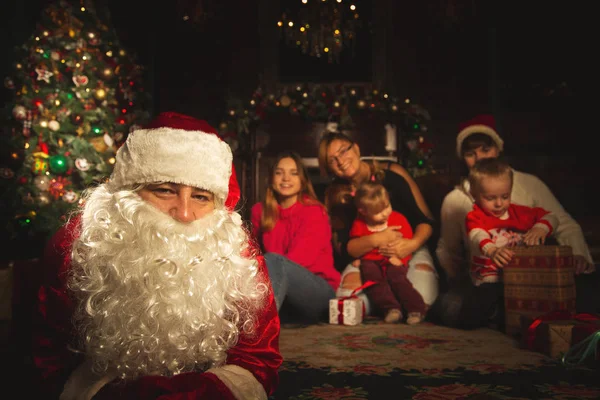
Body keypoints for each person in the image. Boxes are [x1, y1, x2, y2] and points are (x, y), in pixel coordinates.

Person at [32, 112, 282, 400]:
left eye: (201, 197)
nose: (185, 214)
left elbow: (258, 358)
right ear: (129, 194)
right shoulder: (77, 244)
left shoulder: (235, 249)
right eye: (165, 191)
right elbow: (49, 359)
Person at [436, 113, 597, 328]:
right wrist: (462, 280)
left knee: (586, 294)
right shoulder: (455, 200)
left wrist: (577, 256)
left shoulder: (529, 184)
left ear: (498, 149)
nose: (480, 158)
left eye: (486, 149)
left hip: (533, 276)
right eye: (470, 153)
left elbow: (563, 223)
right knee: (453, 307)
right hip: (486, 280)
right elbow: (448, 250)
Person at [318, 131, 439, 318]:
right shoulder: (335, 195)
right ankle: (386, 303)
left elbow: (425, 221)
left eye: (343, 151)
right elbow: (345, 248)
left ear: (356, 148)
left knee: (420, 299)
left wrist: (411, 245)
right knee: (345, 300)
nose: (341, 161)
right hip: (368, 258)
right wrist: (377, 239)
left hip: (409, 250)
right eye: (333, 160)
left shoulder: (391, 175)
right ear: (330, 169)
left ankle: (388, 301)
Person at [250, 151, 340, 323]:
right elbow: (252, 255)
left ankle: (260, 327)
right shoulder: (260, 211)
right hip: (279, 291)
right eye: (279, 173)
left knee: (275, 261)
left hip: (317, 292)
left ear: (302, 180)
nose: (286, 179)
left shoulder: (314, 212)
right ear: (271, 178)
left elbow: (300, 260)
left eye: (293, 173)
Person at [466, 157, 558, 288]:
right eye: (490, 198)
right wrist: (492, 251)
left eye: (505, 196)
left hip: (522, 278)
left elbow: (552, 217)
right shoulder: (475, 216)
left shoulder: (519, 212)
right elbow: (477, 235)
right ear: (474, 194)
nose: (499, 204)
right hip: (488, 281)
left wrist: (540, 228)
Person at [350, 181, 427, 324]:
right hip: (371, 261)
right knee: (373, 279)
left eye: (387, 207)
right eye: (378, 212)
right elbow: (358, 243)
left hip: (394, 258)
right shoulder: (359, 223)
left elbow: (407, 245)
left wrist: (401, 259)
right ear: (363, 211)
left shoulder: (398, 219)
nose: (385, 213)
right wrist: (360, 258)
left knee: (397, 278)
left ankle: (415, 309)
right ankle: (391, 309)